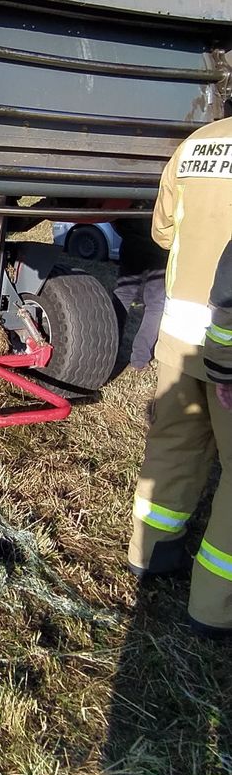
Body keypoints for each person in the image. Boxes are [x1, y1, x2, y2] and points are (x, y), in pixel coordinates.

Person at [128, 113, 232, 635]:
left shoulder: (197, 144)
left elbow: (163, 232)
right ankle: (216, 609)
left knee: (172, 443)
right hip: (229, 340)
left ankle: (148, 556)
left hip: (179, 331)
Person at [111, 211, 168, 370]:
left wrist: (127, 233)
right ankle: (140, 360)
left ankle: (109, 351)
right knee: (156, 304)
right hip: (160, 244)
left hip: (133, 238)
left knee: (123, 295)